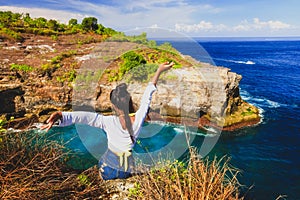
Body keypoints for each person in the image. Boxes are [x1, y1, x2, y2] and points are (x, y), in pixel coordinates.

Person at [41, 61, 174, 180]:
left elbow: (82, 117)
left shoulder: (108, 121)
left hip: (108, 171)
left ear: (114, 106)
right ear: (129, 102)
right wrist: (159, 70)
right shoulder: (138, 119)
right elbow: (148, 94)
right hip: (125, 172)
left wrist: (60, 115)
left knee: (103, 160)